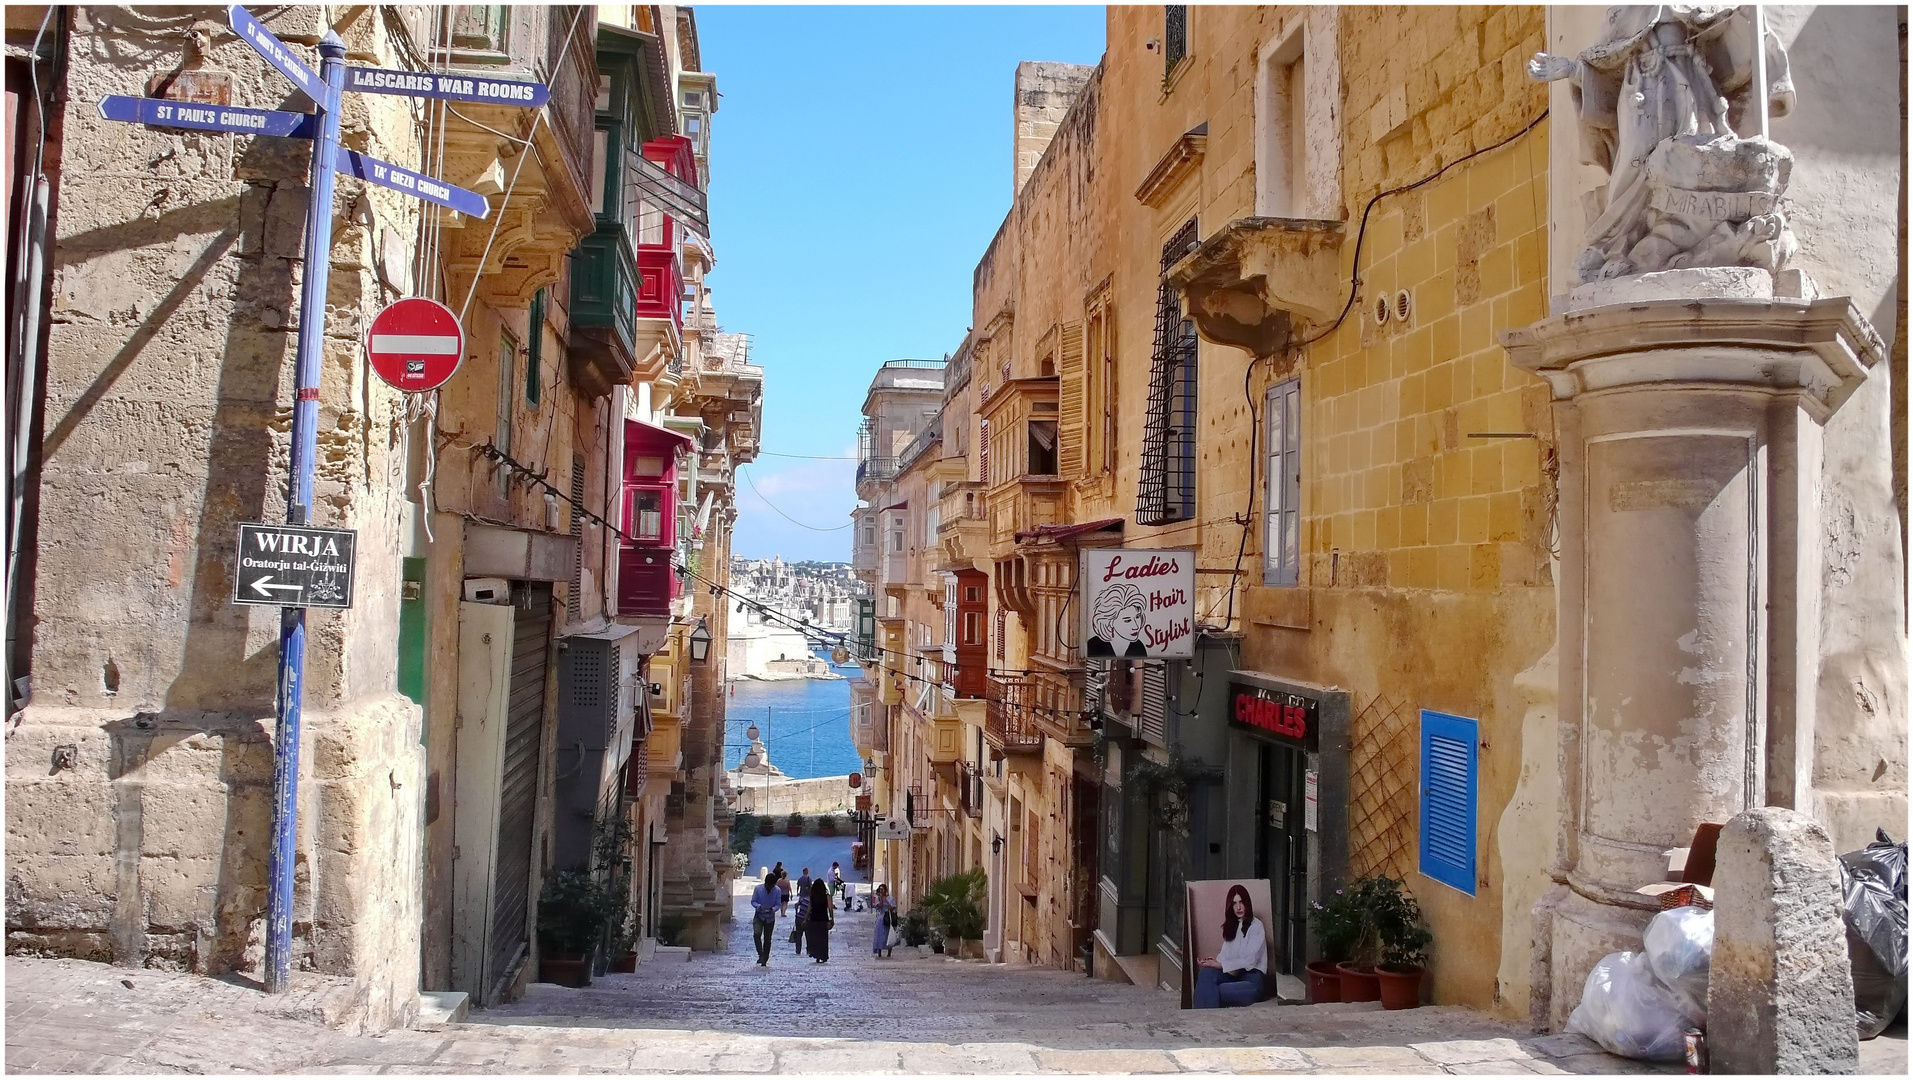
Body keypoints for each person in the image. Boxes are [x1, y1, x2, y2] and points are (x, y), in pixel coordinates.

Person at [1194, 884, 1267, 1008]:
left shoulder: (1256, 926)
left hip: (1251, 982)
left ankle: (1202, 1022)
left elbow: (1250, 960)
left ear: (1247, 903)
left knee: (1211, 991)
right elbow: (1225, 955)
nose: (1238, 907)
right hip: (1234, 976)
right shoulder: (1232, 926)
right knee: (1206, 973)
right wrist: (1213, 963)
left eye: (1241, 902)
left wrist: (1220, 965)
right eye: (1234, 903)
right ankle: (1203, 1021)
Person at [1086, 583, 1149, 658]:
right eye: (1127, 620)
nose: (1136, 626)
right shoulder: (1094, 646)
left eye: (1137, 617)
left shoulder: (1138, 647)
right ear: (1110, 622)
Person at [749, 870, 781, 967]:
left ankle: (765, 958)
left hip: (770, 917)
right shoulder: (758, 889)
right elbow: (753, 901)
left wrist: (773, 909)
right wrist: (759, 906)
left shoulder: (777, 890)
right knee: (757, 934)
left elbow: (778, 904)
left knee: (768, 939)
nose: (770, 888)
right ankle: (761, 953)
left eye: (772, 886)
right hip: (759, 915)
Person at [805, 878, 834, 963]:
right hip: (823, 919)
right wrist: (832, 918)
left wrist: (805, 919)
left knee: (815, 938)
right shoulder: (827, 896)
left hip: (813, 919)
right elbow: (830, 908)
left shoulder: (812, 896)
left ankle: (816, 955)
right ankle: (823, 955)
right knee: (823, 938)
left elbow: (809, 908)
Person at [870, 884, 897, 959]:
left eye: (882, 889)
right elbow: (879, 906)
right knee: (879, 934)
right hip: (881, 918)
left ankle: (889, 952)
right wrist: (881, 899)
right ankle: (879, 951)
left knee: (888, 934)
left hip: (888, 917)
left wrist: (886, 901)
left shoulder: (890, 898)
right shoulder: (878, 898)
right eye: (880, 889)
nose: (881, 890)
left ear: (885, 890)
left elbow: (892, 908)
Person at [792, 875, 812, 956]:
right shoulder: (812, 900)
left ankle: (798, 950)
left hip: (799, 918)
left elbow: (796, 905)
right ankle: (808, 950)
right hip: (807, 920)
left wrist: (796, 913)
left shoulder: (803, 899)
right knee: (808, 935)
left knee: (799, 935)